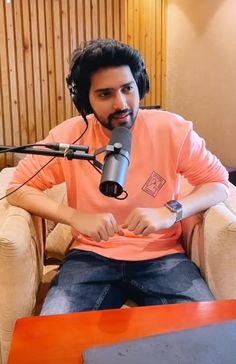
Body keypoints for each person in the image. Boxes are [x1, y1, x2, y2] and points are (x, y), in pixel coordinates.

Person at [7, 38, 229, 315]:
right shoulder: (69, 135)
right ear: (84, 99)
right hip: (90, 257)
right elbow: (18, 187)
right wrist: (75, 217)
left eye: (127, 89)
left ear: (141, 86)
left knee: (212, 337)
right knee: (53, 339)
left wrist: (171, 211)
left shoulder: (173, 130)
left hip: (163, 256)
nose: (121, 103)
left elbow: (219, 184)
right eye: (105, 94)